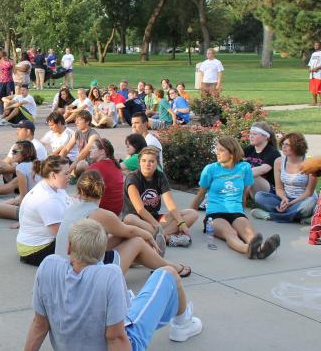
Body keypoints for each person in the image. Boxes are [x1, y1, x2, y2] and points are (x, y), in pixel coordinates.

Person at [24, 218, 202, 351]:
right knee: (168, 273)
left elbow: (39, 325)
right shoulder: (109, 275)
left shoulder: (49, 266)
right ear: (103, 251)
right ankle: (183, 323)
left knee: (130, 301)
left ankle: (177, 319)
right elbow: (116, 338)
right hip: (124, 341)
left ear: (69, 247)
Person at [55, 172, 191, 276]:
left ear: (80, 190)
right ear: (102, 190)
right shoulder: (100, 213)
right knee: (137, 241)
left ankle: (142, 258)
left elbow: (123, 232)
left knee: (122, 235)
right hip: (86, 274)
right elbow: (130, 232)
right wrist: (149, 236)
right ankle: (169, 267)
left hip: (65, 266)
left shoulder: (72, 206)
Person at [190, 136, 281, 259]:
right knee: (231, 233)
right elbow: (200, 195)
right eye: (217, 149)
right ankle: (248, 249)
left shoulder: (244, 168)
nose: (217, 152)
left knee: (250, 234)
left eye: (221, 150)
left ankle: (262, 249)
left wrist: (243, 215)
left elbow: (244, 194)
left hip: (236, 212)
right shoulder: (210, 169)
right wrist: (185, 219)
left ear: (232, 152)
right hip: (215, 214)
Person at [122, 147, 198, 248]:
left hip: (155, 219)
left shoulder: (160, 176)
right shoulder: (133, 178)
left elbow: (170, 203)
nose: (147, 164)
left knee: (192, 213)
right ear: (139, 162)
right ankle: (167, 237)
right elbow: (140, 210)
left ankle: (159, 237)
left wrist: (181, 223)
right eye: (143, 161)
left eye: (151, 161)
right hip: (138, 221)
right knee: (129, 219)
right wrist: (157, 226)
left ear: (157, 163)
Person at [15, 155, 71, 265]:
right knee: (87, 247)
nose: (70, 176)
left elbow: (71, 206)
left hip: (45, 241)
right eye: (66, 173)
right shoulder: (47, 199)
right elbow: (62, 235)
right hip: (35, 251)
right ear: (53, 175)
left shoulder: (55, 188)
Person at [252, 133, 318, 223]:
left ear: (297, 146)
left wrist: (291, 203)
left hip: (303, 200)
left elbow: (309, 192)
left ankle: (270, 216)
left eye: (287, 145)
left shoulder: (310, 163)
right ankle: (298, 217)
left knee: (311, 202)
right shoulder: (279, 162)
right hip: (285, 199)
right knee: (259, 196)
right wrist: (284, 199)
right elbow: (279, 188)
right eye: (282, 144)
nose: (283, 147)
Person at [0, 140, 39, 220]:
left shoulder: (21, 168)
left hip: (33, 209)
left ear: (26, 153)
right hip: (38, 201)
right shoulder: (37, 164)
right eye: (12, 151)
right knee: (14, 200)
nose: (12, 154)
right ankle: (14, 201)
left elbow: (24, 197)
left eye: (15, 152)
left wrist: (22, 222)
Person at [242, 122, 281, 201]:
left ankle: (237, 201)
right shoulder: (249, 149)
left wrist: (238, 172)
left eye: (255, 134)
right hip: (251, 190)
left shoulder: (273, 153)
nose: (251, 137)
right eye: (250, 134)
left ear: (266, 137)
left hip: (269, 192)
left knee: (252, 175)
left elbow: (263, 169)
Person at [85, 139, 124, 215]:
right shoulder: (116, 164)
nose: (90, 150)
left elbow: (83, 192)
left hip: (103, 211)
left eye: (93, 148)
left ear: (102, 151)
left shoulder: (94, 167)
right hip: (117, 210)